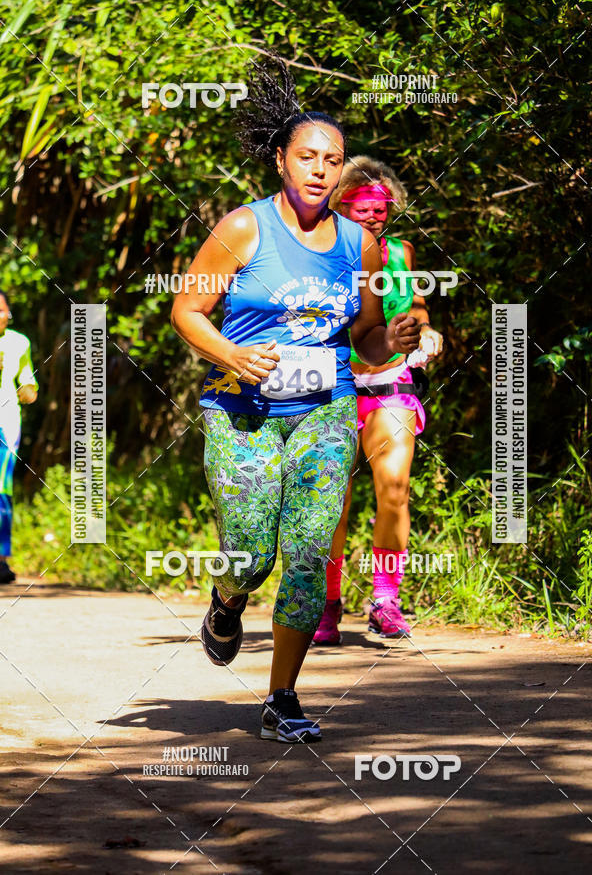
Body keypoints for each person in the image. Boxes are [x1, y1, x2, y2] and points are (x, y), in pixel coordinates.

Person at [170, 57, 420, 742]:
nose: (318, 169)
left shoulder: (359, 246)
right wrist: (232, 355)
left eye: (331, 160)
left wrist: (392, 339)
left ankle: (282, 697)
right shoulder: (243, 229)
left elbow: (366, 339)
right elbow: (187, 310)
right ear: (280, 160)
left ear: (342, 171)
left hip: (326, 410)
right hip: (240, 410)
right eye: (306, 156)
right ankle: (228, 600)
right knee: (250, 553)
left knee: (309, 549)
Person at [312, 156, 444, 645]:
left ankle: (386, 600)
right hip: (332, 388)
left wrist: (426, 333)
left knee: (394, 489)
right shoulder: (317, 253)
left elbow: (413, 306)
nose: (375, 214)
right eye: (363, 206)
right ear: (338, 204)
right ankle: (326, 603)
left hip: (391, 382)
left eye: (383, 207)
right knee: (334, 503)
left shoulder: (400, 253)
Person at [0, 290, 38, 584]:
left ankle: (1, 559)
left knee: (1, 488)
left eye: (2, 310)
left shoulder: (18, 342)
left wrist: (28, 391)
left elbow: (28, 383)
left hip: (6, 423)